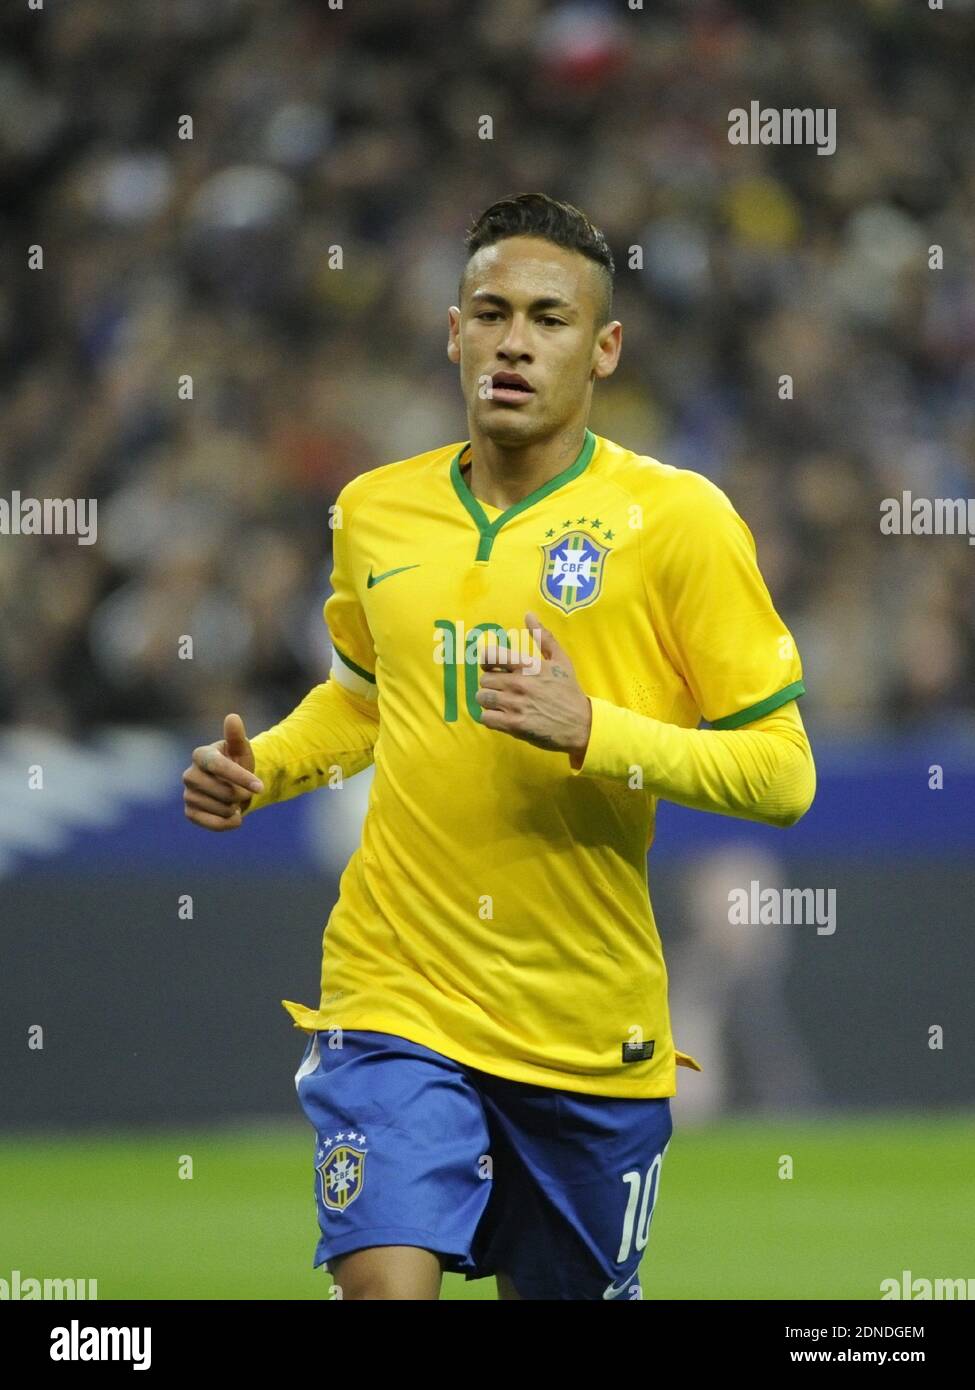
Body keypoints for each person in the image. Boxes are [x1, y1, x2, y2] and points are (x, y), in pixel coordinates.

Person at [182, 192, 816, 1300]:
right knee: (384, 1287)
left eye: (549, 318)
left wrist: (594, 730)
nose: (514, 341)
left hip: (584, 1023)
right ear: (453, 332)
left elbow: (782, 773)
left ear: (604, 347)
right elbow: (365, 701)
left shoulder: (678, 522)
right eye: (491, 312)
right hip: (397, 991)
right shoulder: (374, 511)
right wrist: (265, 768)